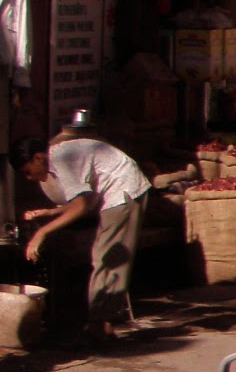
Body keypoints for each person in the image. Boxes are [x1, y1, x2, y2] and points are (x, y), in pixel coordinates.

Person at [13, 133, 151, 339]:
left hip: (123, 189)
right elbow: (81, 198)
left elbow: (82, 206)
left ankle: (99, 324)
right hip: (114, 190)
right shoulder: (58, 158)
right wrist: (51, 212)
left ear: (38, 158)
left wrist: (41, 233)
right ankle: (100, 322)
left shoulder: (61, 162)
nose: (29, 178)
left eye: (27, 172)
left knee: (106, 257)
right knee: (104, 256)